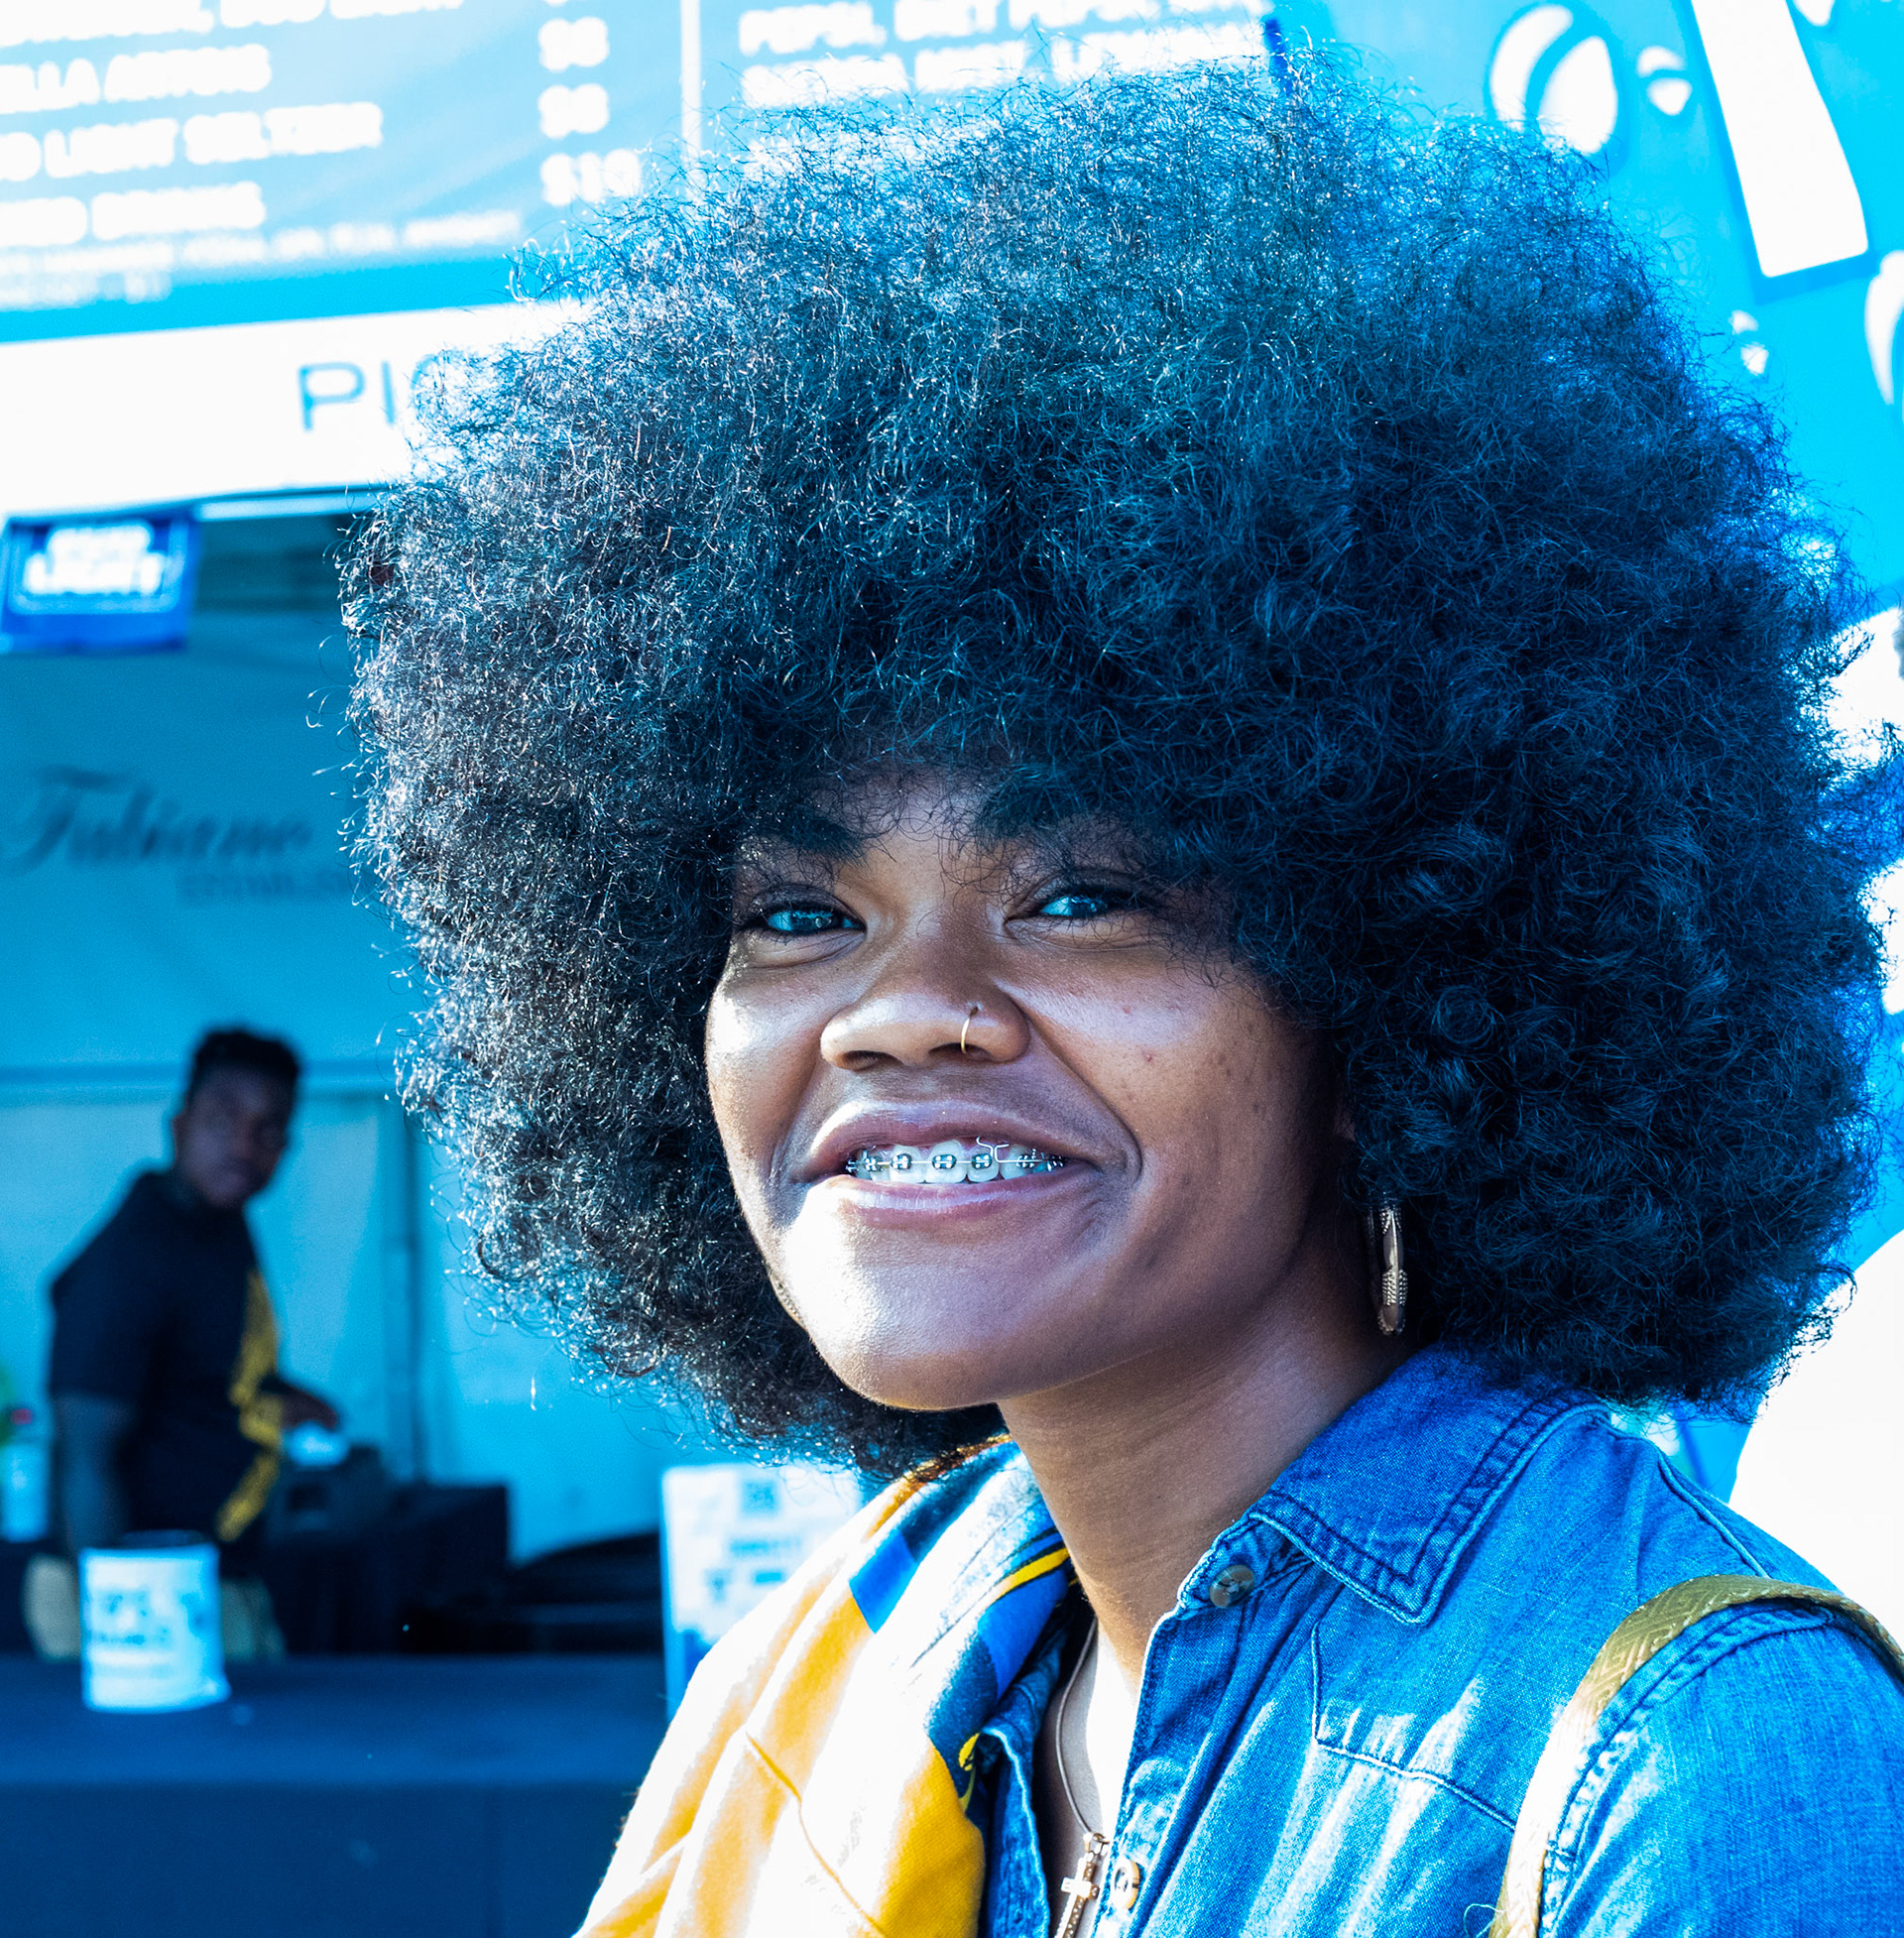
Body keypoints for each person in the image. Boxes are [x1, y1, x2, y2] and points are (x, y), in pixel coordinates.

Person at [349, 61, 1904, 1936]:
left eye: (1080, 896)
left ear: (1397, 981)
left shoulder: (1677, 1758)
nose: (899, 1011)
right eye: (799, 913)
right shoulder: (821, 1673)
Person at [26, 1027, 337, 1661]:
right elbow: (86, 1458)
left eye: (268, 1131)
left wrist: (283, 1398)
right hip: (143, 1604)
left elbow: (210, 1372)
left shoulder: (218, 1225)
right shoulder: (132, 1259)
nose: (244, 1146)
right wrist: (129, 1637)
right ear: (179, 1124)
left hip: (210, 1582)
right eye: (223, 1120)